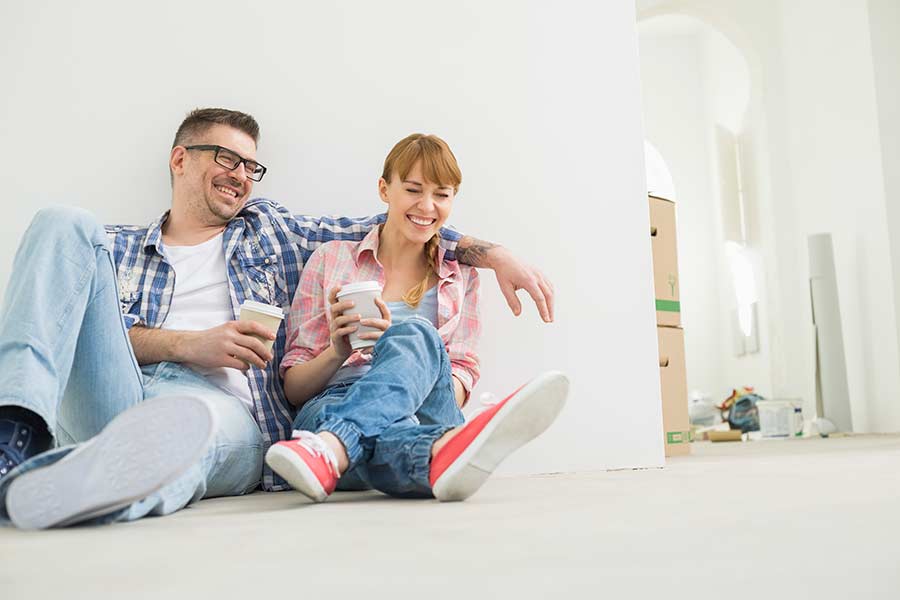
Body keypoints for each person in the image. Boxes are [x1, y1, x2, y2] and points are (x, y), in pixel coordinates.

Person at [0, 108, 555, 529]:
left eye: (250, 166)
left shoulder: (271, 230)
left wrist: (496, 254)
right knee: (61, 221)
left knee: (185, 438)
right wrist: (185, 345)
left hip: (223, 411)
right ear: (180, 159)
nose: (241, 174)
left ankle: (88, 489)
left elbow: (402, 223)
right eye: (226, 158)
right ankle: (13, 436)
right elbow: (75, 339)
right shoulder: (112, 250)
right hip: (121, 391)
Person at [266, 133, 568, 502]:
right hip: (333, 400)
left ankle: (332, 447)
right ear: (384, 189)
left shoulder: (461, 275)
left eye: (442, 194)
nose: (427, 206)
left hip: (426, 403)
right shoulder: (332, 259)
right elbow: (293, 390)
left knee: (414, 333)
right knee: (390, 437)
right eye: (413, 189)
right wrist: (336, 351)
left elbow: (460, 376)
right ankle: (446, 449)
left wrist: (411, 372)